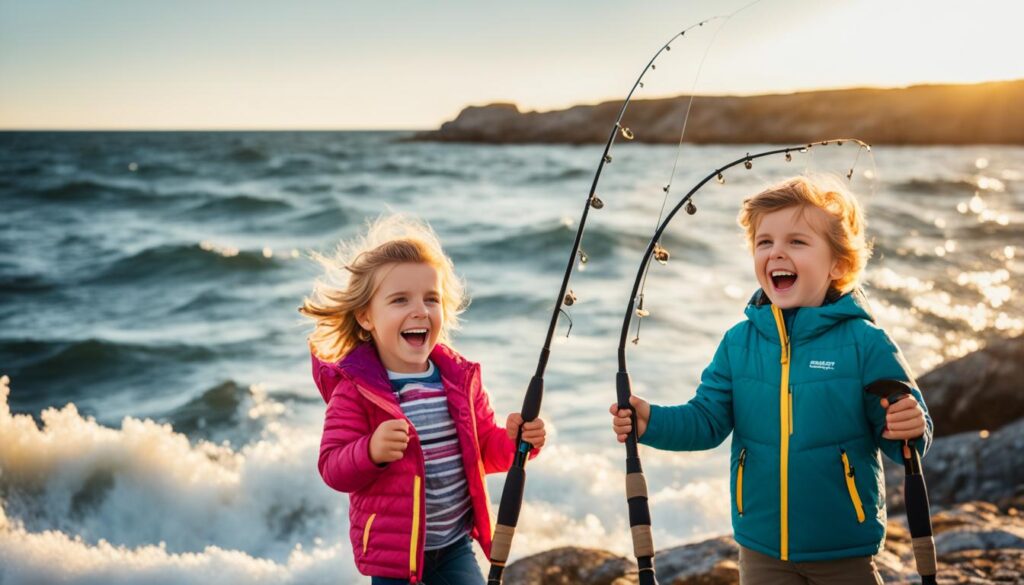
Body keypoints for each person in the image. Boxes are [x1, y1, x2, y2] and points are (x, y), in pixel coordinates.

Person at [610, 175, 933, 585]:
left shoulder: (865, 343)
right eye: (765, 242)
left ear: (838, 263)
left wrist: (911, 425)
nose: (777, 252)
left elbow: (907, 435)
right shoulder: (739, 342)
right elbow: (707, 421)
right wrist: (650, 421)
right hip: (760, 549)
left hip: (844, 549)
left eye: (797, 242)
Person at [301, 215, 546, 584]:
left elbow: (482, 453)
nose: (420, 310)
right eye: (400, 300)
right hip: (392, 559)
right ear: (366, 316)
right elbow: (332, 466)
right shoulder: (355, 390)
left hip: (454, 546)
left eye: (431, 299)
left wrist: (515, 442)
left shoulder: (459, 380)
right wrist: (370, 451)